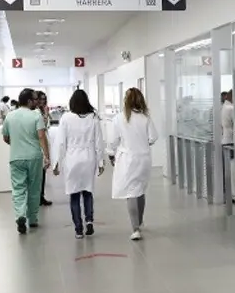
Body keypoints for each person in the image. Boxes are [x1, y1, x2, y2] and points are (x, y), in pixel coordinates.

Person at [107, 88, 158, 241]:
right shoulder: (145, 118)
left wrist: (111, 153)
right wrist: (143, 143)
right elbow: (153, 137)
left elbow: (113, 141)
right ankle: (140, 221)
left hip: (128, 159)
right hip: (143, 158)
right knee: (140, 190)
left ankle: (135, 228)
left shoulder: (118, 118)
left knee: (131, 193)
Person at [52, 90, 104, 239]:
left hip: (72, 158)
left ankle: (78, 229)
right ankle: (89, 221)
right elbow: (99, 141)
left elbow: (61, 142)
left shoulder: (66, 118)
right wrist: (101, 161)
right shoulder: (93, 117)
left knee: (74, 194)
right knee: (88, 192)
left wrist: (56, 163)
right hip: (89, 157)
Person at [2, 88, 51, 234]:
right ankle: (33, 219)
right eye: (35, 99)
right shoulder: (36, 117)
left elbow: (5, 137)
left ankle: (20, 216)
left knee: (18, 189)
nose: (37, 102)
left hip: (16, 158)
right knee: (34, 188)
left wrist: (17, 145)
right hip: (34, 157)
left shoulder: (10, 116)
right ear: (29, 101)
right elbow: (42, 137)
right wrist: (47, 156)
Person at [34, 91, 53, 206]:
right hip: (38, 143)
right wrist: (45, 114)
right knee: (37, 173)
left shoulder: (42, 111)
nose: (42, 101)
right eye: (40, 99)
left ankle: (41, 196)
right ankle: (37, 197)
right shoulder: (35, 112)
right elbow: (43, 126)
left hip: (44, 141)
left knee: (42, 172)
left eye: (44, 99)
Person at [221, 89, 235, 198]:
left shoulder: (224, 107)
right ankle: (231, 194)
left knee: (226, 169)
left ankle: (227, 193)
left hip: (225, 140)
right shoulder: (231, 108)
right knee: (231, 169)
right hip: (230, 141)